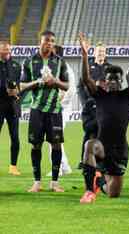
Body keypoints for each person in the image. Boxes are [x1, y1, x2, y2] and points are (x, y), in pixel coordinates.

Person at [78, 33, 129, 203]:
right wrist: (85, 55)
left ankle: (100, 182)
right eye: (110, 78)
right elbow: (86, 79)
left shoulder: (127, 95)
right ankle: (89, 191)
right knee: (89, 144)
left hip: (120, 150)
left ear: (121, 80)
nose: (114, 81)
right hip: (101, 147)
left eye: (117, 78)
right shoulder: (99, 94)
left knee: (113, 193)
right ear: (105, 81)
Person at [20, 30, 69, 192]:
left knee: (56, 145)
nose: (49, 43)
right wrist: (37, 82)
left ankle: (55, 182)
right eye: (47, 40)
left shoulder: (60, 62)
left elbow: (67, 85)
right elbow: (22, 86)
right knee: (36, 145)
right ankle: (37, 182)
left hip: (55, 110)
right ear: (40, 41)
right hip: (37, 110)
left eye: (52, 41)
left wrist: (55, 81)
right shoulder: (29, 62)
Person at [77, 42, 111, 168]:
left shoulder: (110, 68)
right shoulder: (88, 67)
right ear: (94, 52)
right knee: (88, 133)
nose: (101, 53)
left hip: (105, 106)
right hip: (90, 105)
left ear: (105, 53)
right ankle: (83, 160)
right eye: (99, 51)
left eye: (103, 51)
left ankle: (105, 160)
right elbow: (80, 86)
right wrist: (84, 102)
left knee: (106, 133)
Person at [46, 45, 73, 176]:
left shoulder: (65, 69)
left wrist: (58, 103)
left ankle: (57, 169)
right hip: (57, 108)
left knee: (54, 138)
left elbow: (69, 91)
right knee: (55, 138)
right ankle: (65, 166)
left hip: (60, 109)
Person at [0, 40, 21, 175]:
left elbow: (21, 84)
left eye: (8, 50)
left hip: (13, 106)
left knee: (15, 137)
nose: (7, 52)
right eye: (4, 50)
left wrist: (17, 92)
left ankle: (13, 166)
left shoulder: (16, 65)